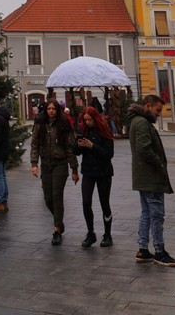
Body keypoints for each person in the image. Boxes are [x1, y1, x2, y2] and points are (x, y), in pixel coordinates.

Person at [128, 94, 175, 267]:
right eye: (157, 110)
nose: (159, 113)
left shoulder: (138, 121)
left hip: (144, 177)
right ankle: (159, 251)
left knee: (147, 213)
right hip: (150, 177)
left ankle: (143, 249)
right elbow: (144, 149)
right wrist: (160, 164)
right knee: (156, 215)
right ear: (148, 106)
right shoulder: (142, 122)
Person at [30, 99, 79, 245]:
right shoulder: (40, 123)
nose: (51, 111)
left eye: (54, 109)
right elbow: (35, 144)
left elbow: (70, 147)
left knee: (57, 195)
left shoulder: (63, 124)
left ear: (58, 110)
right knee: (48, 198)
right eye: (49, 109)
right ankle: (59, 221)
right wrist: (34, 164)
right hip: (46, 164)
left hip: (60, 164)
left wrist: (74, 169)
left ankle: (57, 229)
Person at [73, 106, 114, 248]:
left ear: (95, 118)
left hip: (103, 172)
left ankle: (107, 234)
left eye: (90, 119)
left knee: (104, 203)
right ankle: (90, 233)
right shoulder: (83, 131)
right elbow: (75, 151)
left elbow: (109, 154)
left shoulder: (104, 130)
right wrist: (78, 145)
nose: (88, 122)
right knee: (86, 202)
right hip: (88, 172)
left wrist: (92, 146)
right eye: (85, 120)